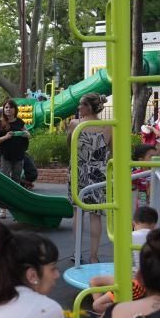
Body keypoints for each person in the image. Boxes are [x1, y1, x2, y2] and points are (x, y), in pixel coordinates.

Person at [88, 205, 159, 315]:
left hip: (136, 284)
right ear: (154, 224)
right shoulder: (159, 237)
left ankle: (108, 314)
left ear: (134, 223)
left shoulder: (130, 236)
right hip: (155, 282)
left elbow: (123, 262)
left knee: (97, 301)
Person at [68, 93, 111, 264]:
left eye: (81, 104)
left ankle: (77, 252)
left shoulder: (74, 124)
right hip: (99, 172)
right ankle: (94, 256)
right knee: (95, 214)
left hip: (78, 170)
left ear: (89, 107)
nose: (78, 107)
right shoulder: (108, 126)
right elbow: (113, 153)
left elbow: (69, 146)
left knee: (78, 212)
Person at [0, 99, 29, 220]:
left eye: (10, 107)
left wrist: (26, 134)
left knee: (16, 181)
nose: (8, 109)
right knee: (5, 181)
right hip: (5, 156)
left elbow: (28, 133)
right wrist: (6, 137)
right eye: (6, 107)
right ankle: (3, 209)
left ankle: (15, 209)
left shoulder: (20, 122)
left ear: (15, 109)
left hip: (19, 155)